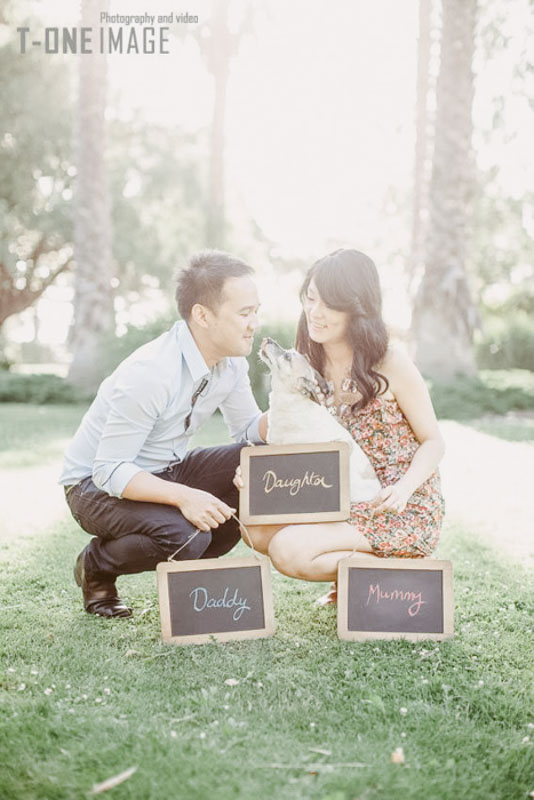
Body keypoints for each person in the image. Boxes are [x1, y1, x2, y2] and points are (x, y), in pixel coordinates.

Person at [60, 250, 267, 618]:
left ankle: (196, 587)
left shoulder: (232, 362)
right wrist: (185, 497)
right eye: (244, 313)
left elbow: (249, 430)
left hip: (164, 469)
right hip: (92, 485)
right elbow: (109, 470)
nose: (254, 324)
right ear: (202, 315)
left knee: (251, 459)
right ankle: (95, 567)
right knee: (188, 534)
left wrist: (290, 413)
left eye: (255, 311)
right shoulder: (152, 372)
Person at [237, 248, 445, 604]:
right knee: (253, 528)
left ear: (357, 307)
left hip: (396, 505)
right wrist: (259, 479)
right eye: (311, 298)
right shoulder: (309, 360)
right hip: (341, 499)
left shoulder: (390, 362)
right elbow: (296, 433)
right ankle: (360, 575)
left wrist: (405, 489)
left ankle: (392, 577)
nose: (315, 313)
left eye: (329, 304)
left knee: (289, 551)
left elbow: (434, 442)